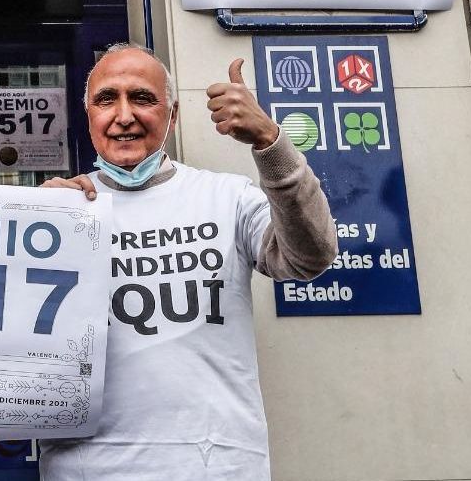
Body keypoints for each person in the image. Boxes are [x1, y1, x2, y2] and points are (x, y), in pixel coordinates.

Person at [38, 43, 338, 481]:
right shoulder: (57, 212)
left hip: (218, 467)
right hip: (86, 470)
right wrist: (30, 230)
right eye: (107, 99)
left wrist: (269, 142)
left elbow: (311, 256)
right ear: (88, 116)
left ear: (172, 115)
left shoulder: (227, 197)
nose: (124, 116)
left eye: (142, 98)